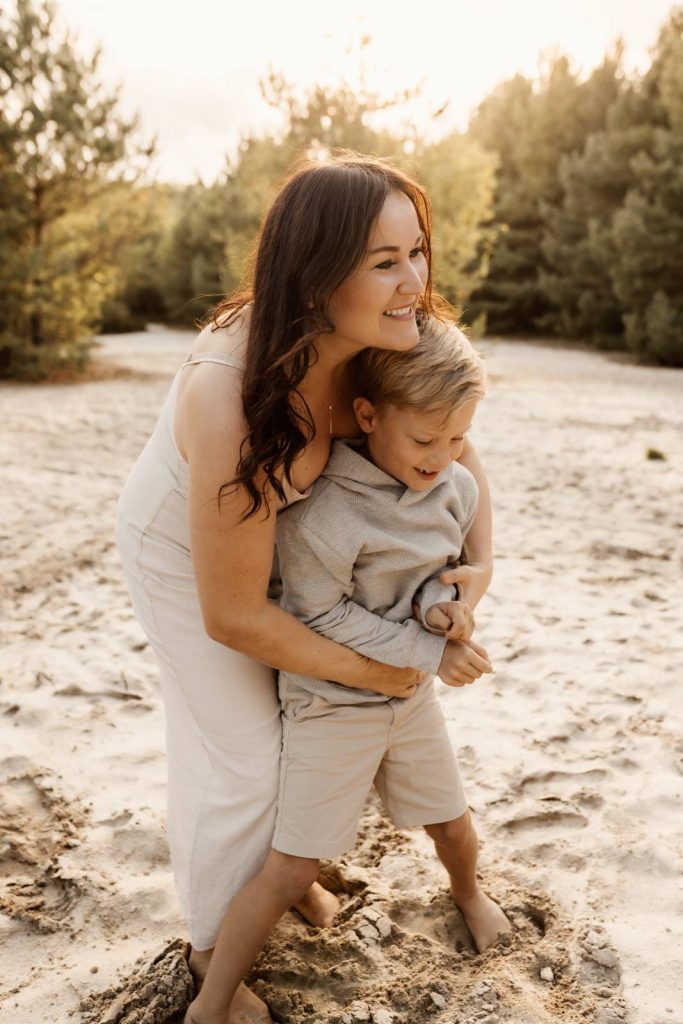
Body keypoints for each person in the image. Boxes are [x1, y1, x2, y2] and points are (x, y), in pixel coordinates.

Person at [116, 153, 494, 1024]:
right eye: (384, 261)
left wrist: (476, 572)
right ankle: (213, 946)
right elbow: (233, 613)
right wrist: (382, 673)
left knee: (292, 728)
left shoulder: (385, 334)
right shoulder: (233, 396)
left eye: (417, 251)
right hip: (184, 552)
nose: (414, 281)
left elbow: (459, 453)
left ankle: (283, 886)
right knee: (247, 753)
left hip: (285, 540)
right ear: (318, 273)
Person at [183, 320, 510, 1024]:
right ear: (366, 415)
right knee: (291, 868)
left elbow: (431, 578)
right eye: (425, 440)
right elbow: (317, 614)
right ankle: (210, 1001)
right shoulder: (326, 510)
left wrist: (442, 610)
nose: (442, 458)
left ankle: (468, 894)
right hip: (331, 703)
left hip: (411, 698)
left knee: (452, 825)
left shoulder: (449, 483)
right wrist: (428, 653)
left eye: (457, 440)